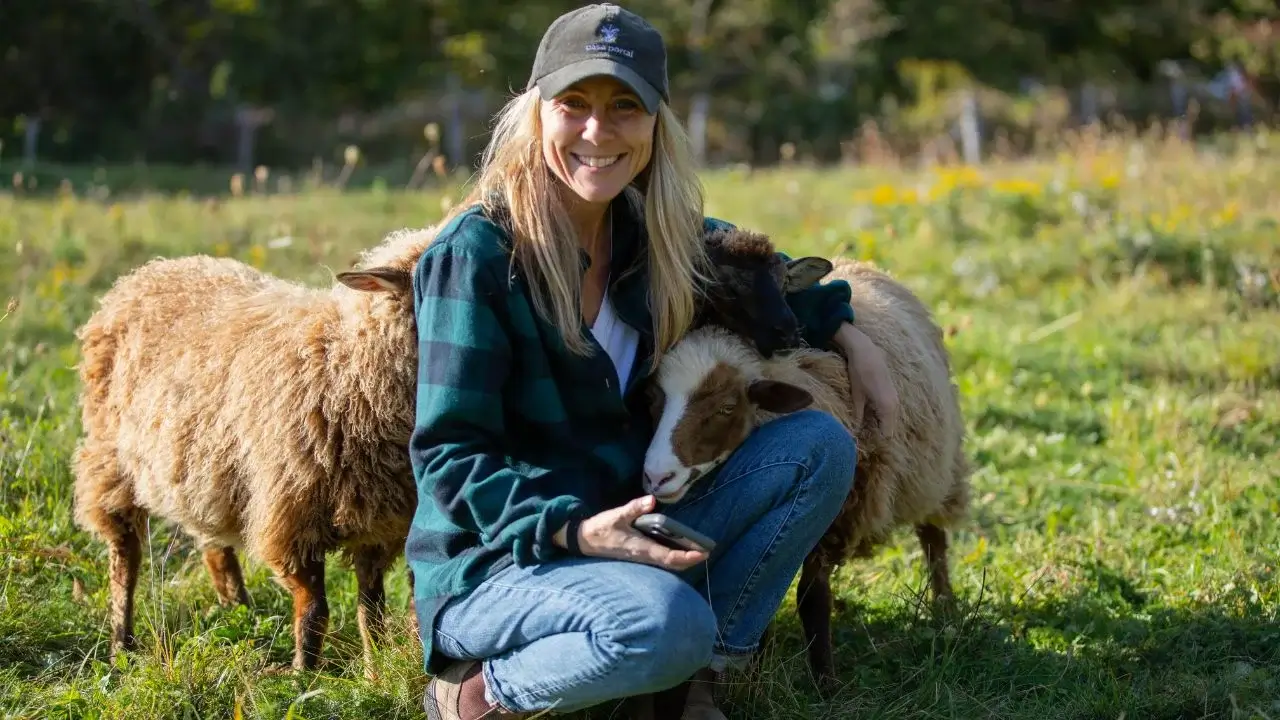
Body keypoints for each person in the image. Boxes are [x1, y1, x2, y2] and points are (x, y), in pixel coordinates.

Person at [408, 4, 900, 719]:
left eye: (624, 107)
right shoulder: (479, 256)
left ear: (655, 124)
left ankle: (687, 682)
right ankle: (483, 693)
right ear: (536, 113)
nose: (597, 132)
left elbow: (762, 271)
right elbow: (450, 456)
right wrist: (575, 530)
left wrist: (849, 330)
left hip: (627, 517)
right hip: (506, 555)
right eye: (573, 105)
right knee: (664, 623)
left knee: (817, 445)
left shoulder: (650, 231)